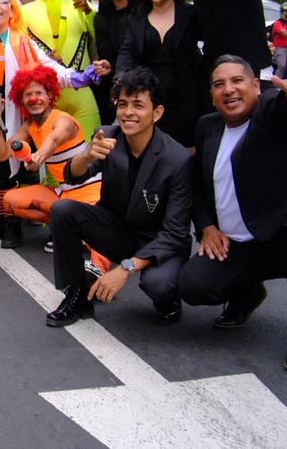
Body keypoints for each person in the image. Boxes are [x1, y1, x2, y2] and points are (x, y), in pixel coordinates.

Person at [178, 56, 287, 374]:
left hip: (281, 234)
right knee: (192, 284)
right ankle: (247, 293)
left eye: (237, 81)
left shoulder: (270, 114)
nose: (229, 90)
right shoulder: (207, 127)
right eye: (219, 85)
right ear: (211, 94)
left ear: (256, 87)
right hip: (236, 243)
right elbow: (197, 183)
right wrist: (206, 226)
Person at [43, 68, 193, 327]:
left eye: (138, 105)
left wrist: (124, 268)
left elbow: (176, 234)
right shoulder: (108, 136)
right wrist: (87, 156)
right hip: (119, 231)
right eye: (123, 104)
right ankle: (76, 296)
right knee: (63, 210)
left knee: (157, 285)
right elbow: (72, 175)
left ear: (157, 113)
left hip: (159, 242)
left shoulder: (177, 159)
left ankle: (169, 299)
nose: (128, 113)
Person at [0, 63, 102, 249]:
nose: (34, 99)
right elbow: (2, 154)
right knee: (10, 200)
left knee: (99, 242)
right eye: (28, 95)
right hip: (63, 193)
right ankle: (67, 227)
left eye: (38, 93)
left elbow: (54, 138)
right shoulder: (30, 125)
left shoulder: (63, 119)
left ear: (50, 96)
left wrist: (39, 156)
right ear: (21, 100)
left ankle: (79, 230)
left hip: (91, 192)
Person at [18, 0, 101, 140]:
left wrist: (89, 11)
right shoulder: (24, 12)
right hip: (44, 95)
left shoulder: (81, 5)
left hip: (81, 90)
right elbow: (22, 51)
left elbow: (101, 33)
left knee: (91, 152)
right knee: (51, 159)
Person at [115, 0, 205, 148]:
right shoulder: (137, 20)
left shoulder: (191, 14)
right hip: (150, 99)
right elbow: (127, 52)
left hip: (188, 98)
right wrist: (121, 77)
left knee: (187, 155)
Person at [92, 0, 136, 126]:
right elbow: (108, 56)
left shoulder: (143, 10)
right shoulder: (102, 19)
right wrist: (107, 66)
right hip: (119, 86)